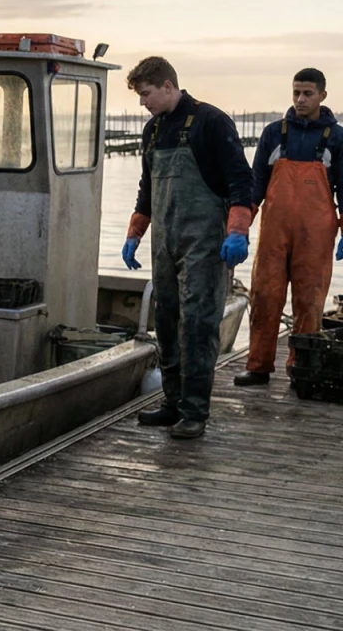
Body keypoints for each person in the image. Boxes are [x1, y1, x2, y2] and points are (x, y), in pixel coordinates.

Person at [119, 56, 254, 440]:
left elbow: (241, 181)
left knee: (197, 325)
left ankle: (195, 412)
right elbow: (147, 188)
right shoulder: (153, 130)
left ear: (167, 86)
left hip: (205, 242)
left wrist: (238, 231)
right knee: (166, 321)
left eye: (147, 94)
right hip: (165, 240)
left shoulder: (211, 122)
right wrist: (135, 233)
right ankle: (172, 402)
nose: (143, 102)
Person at [235, 68, 343, 386]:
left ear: (322, 95)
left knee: (309, 300)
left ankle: (301, 369)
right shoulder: (274, 133)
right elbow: (256, 184)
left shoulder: (339, 138)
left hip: (316, 236)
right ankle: (258, 366)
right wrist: (239, 227)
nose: (301, 99)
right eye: (296, 93)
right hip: (273, 232)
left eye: (308, 93)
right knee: (264, 297)